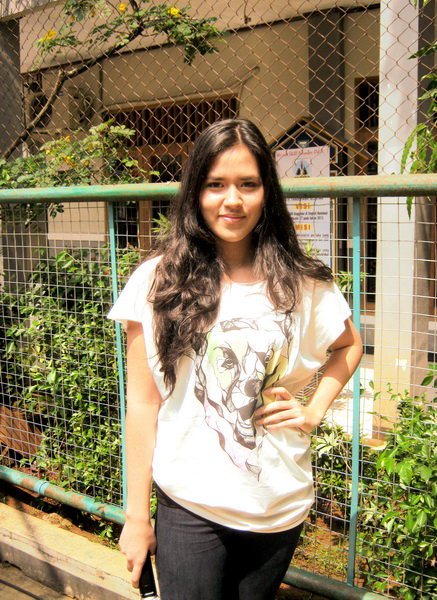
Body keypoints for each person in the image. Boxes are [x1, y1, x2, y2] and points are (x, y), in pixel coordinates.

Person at [108, 118, 363, 600]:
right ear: (195, 192)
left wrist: (312, 410)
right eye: (216, 184)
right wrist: (137, 517)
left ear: (267, 192)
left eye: (248, 184)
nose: (233, 200)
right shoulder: (156, 281)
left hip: (278, 507)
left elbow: (349, 345)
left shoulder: (305, 281)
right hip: (191, 504)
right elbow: (142, 404)